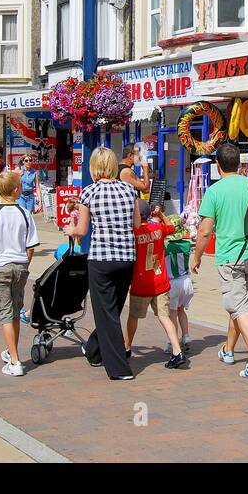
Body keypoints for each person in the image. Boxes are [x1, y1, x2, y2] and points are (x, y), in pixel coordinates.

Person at [192, 142, 248, 378]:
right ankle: (228, 350)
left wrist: (196, 257)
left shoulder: (214, 192)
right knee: (240, 306)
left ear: (218, 165)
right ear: (240, 164)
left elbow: (205, 231)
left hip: (230, 258)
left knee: (238, 307)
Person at [73, 146, 140, 381]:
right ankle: (94, 350)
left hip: (101, 257)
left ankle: (118, 367)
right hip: (126, 257)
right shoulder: (129, 190)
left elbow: (81, 230)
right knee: (113, 310)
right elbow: (136, 226)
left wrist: (69, 229)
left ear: (93, 167)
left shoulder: (88, 192)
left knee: (105, 313)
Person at [0, 170, 40, 377]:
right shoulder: (25, 214)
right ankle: (11, 350)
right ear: (15, 191)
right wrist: (25, 263)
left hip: (0, 267)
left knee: (4, 313)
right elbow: (31, 246)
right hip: (20, 266)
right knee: (15, 310)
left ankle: (15, 361)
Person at [124, 210, 186, 369]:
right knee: (165, 317)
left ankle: (127, 347)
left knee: (133, 317)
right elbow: (172, 228)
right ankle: (177, 351)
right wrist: (161, 215)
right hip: (161, 281)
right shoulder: (158, 228)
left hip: (141, 283)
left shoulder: (134, 232)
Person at [163, 222, 193, 354]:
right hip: (186, 281)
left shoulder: (166, 246)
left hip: (172, 283)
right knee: (182, 310)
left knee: (172, 315)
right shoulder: (186, 245)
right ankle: (186, 336)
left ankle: (172, 343)